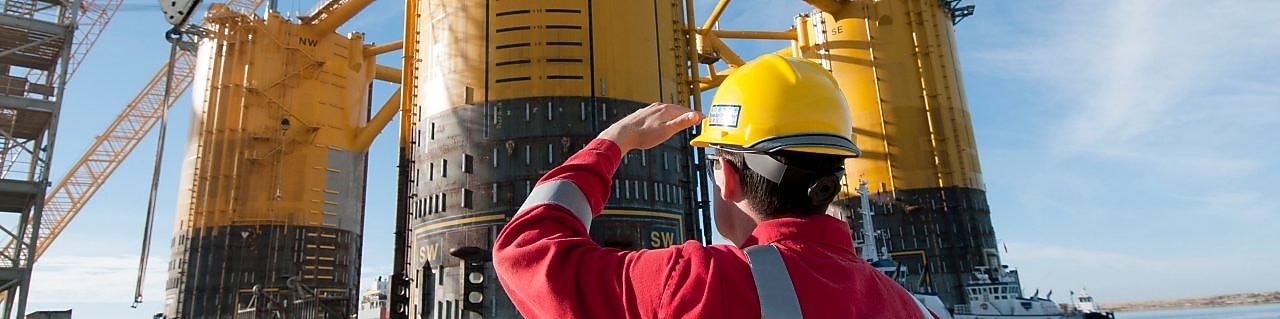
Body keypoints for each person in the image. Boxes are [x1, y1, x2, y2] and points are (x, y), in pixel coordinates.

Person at [494, 55, 936, 318]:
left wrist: (613, 142)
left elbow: (526, 255)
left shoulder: (700, 283)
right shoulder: (917, 308)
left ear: (727, 176)